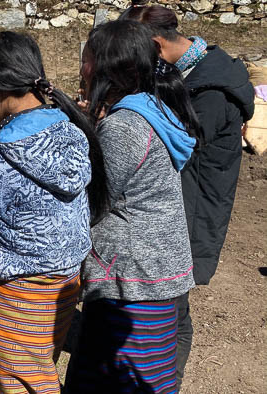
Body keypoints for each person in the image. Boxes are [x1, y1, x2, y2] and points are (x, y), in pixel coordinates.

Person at [0, 31, 108, 393]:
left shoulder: (1, 157)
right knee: (34, 368)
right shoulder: (70, 128)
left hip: (14, 293)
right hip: (63, 285)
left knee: (13, 383)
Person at [120, 6, 255, 387]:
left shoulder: (212, 91)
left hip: (191, 211)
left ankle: (165, 381)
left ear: (154, 44)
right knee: (166, 306)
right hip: (180, 204)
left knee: (173, 310)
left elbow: (175, 148)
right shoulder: (186, 74)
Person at [64, 20, 200, 393]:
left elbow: (92, 197)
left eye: (87, 57)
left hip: (132, 277)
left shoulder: (126, 126)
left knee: (117, 378)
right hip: (156, 266)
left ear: (106, 66)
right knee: (144, 375)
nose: (82, 65)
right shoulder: (150, 105)